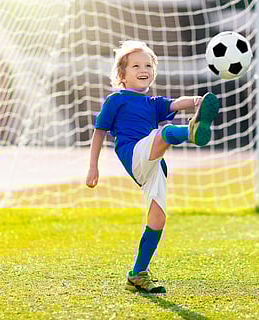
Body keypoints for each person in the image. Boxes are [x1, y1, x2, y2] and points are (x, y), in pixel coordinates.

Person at [85, 40, 219, 294]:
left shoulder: (152, 103)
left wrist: (196, 100)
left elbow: (175, 103)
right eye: (136, 65)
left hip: (153, 164)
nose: (143, 68)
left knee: (157, 220)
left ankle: (137, 273)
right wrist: (93, 167)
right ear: (122, 75)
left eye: (148, 64)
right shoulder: (116, 100)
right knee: (166, 132)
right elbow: (99, 132)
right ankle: (191, 132)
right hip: (134, 154)